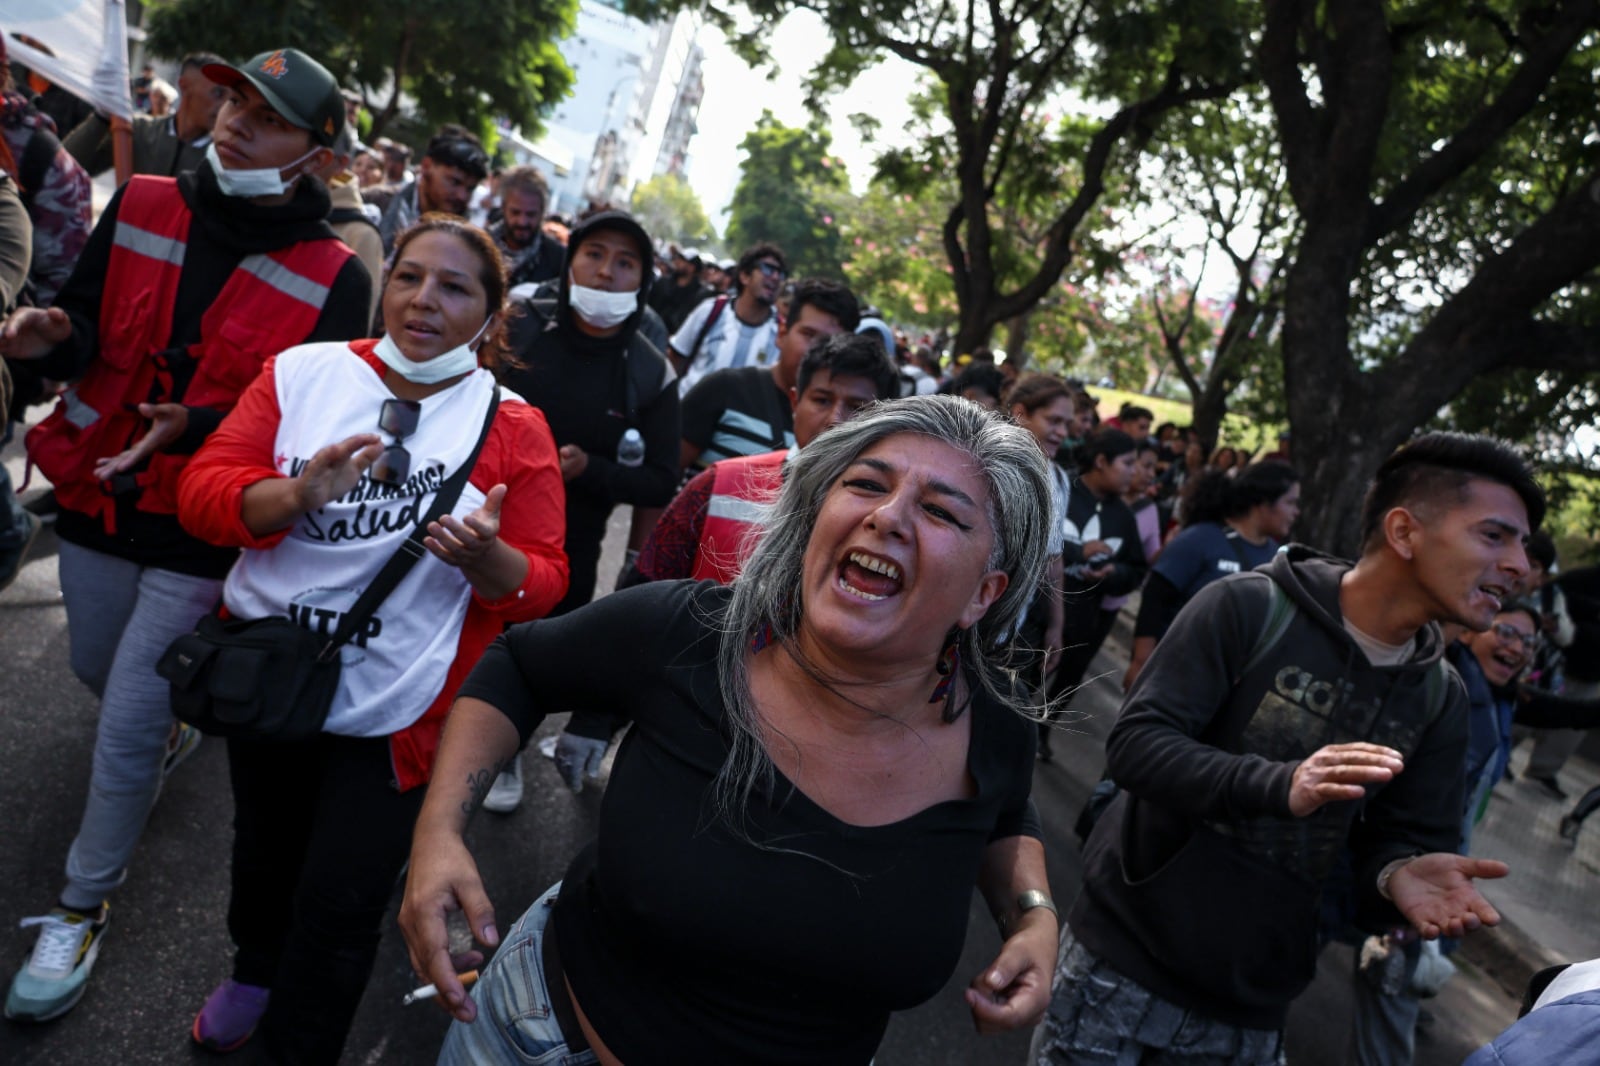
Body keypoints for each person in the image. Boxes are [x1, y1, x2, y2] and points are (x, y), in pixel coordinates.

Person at [399, 394, 1061, 1064]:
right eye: (866, 484)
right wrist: (438, 835)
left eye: (942, 511)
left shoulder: (994, 726)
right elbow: (520, 665)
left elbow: (1006, 815)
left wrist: (1034, 915)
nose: (887, 517)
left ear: (985, 592)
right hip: (536, 1041)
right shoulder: (688, 634)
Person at [1, 46, 370, 1024]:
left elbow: (299, 425)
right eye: (236, 99)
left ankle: (81, 904)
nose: (238, 120)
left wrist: (202, 428)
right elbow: (84, 324)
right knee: (94, 663)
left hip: (202, 520)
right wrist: (52, 338)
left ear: (319, 157)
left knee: (123, 719)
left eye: (270, 115)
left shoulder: (336, 275)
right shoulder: (148, 199)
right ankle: (166, 730)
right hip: (95, 490)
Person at [172, 215, 567, 1062]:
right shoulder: (303, 372)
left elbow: (544, 586)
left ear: (492, 315)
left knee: (343, 903)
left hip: (400, 715)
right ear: (384, 285)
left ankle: (297, 1044)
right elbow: (203, 492)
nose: (425, 299)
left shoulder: (514, 426)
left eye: (455, 286)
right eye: (409, 276)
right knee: (264, 850)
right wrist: (294, 495)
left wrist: (492, 560)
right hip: (273, 676)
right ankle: (253, 970)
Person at [1034, 432, 1545, 1065]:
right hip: (1122, 963)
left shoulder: (1438, 699)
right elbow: (1138, 746)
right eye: (1495, 536)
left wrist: (1394, 876)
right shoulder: (1246, 606)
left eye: (1521, 544)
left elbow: (1395, 846)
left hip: (1257, 1010)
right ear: (1405, 532)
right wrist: (1280, 784)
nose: (1520, 565)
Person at [485, 210, 679, 812]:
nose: (607, 271)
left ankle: (502, 752)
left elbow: (660, 479)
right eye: (595, 254)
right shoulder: (519, 326)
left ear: (643, 281)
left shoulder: (650, 369)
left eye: (626, 262)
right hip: (481, 516)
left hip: (569, 544)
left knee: (527, 656)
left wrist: (589, 467)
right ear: (571, 262)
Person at [1349, 603, 1600, 1065]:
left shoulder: (1503, 697)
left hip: (1431, 875)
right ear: (1467, 634)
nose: (1515, 647)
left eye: (1527, 641)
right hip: (1402, 872)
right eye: (1505, 632)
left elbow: (1566, 711)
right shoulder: (1445, 689)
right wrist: (1396, 866)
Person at [1123, 460, 1300, 689]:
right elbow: (1155, 597)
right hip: (1167, 673)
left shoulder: (1276, 558)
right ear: (1263, 503)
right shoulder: (1201, 538)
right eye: (1290, 502)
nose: (1296, 512)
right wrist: (1140, 661)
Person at [1037, 427, 1148, 761]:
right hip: (1037, 609)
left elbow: (1136, 569)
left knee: (1067, 677)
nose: (1134, 471)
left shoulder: (1124, 518)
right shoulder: (1060, 488)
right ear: (1101, 461)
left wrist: (1114, 572)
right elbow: (1038, 535)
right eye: (1127, 463)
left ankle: (1041, 731)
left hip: (1085, 617)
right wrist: (1077, 550)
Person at [678, 277, 859, 475]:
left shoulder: (842, 424)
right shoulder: (723, 388)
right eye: (808, 334)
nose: (817, 350)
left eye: (829, 342)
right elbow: (663, 481)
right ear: (782, 334)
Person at [1004, 374, 1074, 704]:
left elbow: (1052, 561)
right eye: (1053, 420)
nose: (1062, 432)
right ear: (1020, 413)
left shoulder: (1059, 480)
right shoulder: (991, 462)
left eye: (1067, 424)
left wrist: (1055, 626)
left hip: (1009, 634)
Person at [64, 52, 227, 179]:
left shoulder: (222, 156)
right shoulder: (140, 131)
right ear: (184, 86)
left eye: (231, 99)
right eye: (218, 93)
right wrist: (102, 116)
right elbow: (63, 169)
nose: (224, 106)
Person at [670, 242, 787, 393]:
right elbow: (675, 358)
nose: (776, 277)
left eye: (781, 272)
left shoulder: (781, 334)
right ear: (745, 276)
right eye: (767, 269)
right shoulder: (711, 310)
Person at [376, 127, 489, 253]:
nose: (462, 196)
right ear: (427, 166)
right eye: (455, 182)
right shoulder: (378, 204)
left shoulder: (467, 239)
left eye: (470, 188)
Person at [489, 164, 563, 290]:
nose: (522, 222)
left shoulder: (558, 259)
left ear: (542, 211)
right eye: (515, 212)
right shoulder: (479, 246)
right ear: (503, 207)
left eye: (531, 214)